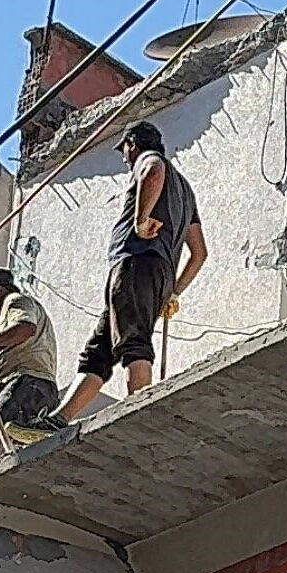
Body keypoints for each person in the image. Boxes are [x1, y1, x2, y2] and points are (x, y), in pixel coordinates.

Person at [59, 119, 205, 423]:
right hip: (158, 273)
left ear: (132, 144)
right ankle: (58, 419)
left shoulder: (148, 160)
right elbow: (199, 253)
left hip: (135, 262)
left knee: (133, 341)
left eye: (124, 151)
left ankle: (138, 410)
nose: (125, 159)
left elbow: (152, 170)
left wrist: (140, 222)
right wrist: (174, 291)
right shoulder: (186, 191)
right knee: (101, 348)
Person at [0, 267, 60, 450]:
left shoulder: (15, 301)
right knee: (2, 446)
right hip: (34, 389)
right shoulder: (9, 314)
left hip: (27, 386)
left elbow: (26, 328)